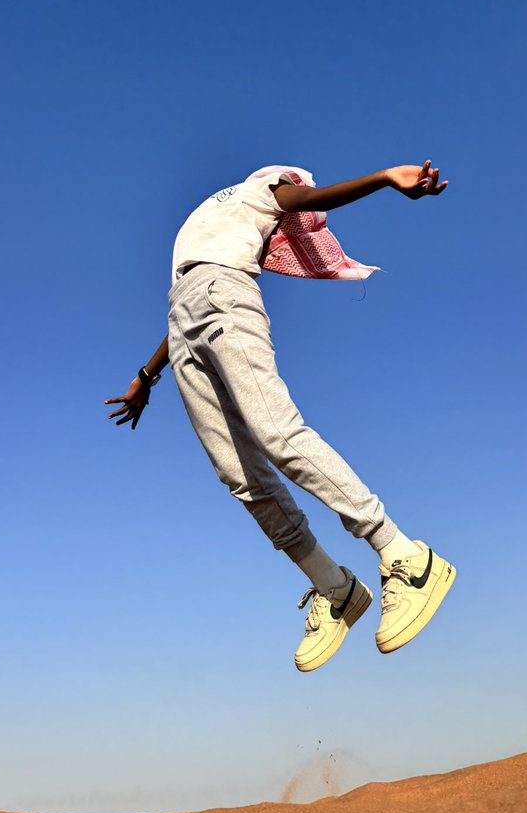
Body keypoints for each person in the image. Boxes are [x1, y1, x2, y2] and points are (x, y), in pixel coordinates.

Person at [106, 162, 456, 672]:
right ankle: (334, 588)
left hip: (224, 297)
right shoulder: (219, 210)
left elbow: (311, 200)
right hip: (183, 319)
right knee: (240, 475)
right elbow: (187, 304)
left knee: (277, 432)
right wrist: (147, 374)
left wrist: (382, 179)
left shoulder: (266, 192)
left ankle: (407, 557)